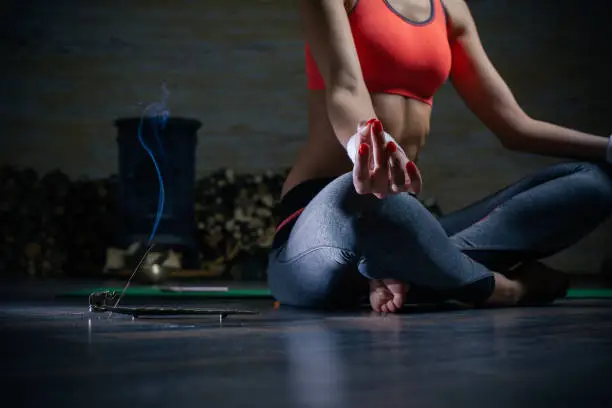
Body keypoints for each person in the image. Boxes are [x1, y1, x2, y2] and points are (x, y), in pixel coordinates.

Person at [267, 0, 612, 313]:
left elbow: (514, 126)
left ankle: (401, 272)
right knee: (364, 199)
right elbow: (345, 87)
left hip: (401, 221)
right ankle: (502, 288)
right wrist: (370, 143)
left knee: (594, 183)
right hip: (325, 219)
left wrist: (608, 147)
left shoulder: (450, 9)